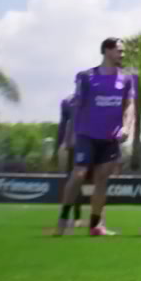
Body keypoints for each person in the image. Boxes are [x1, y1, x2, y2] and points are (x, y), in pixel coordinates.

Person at [55, 38, 136, 237]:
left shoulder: (127, 79)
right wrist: (71, 136)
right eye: (119, 51)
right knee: (79, 175)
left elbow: (130, 105)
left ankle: (95, 225)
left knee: (102, 180)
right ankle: (64, 220)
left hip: (110, 139)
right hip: (87, 135)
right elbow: (78, 106)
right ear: (107, 51)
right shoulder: (85, 76)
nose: (122, 54)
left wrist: (126, 127)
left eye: (123, 51)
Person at [55, 93, 86, 227]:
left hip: (78, 143)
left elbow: (62, 126)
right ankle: (75, 216)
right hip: (77, 144)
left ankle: (73, 216)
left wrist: (57, 147)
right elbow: (62, 126)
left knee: (74, 179)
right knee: (75, 180)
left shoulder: (67, 100)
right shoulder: (68, 101)